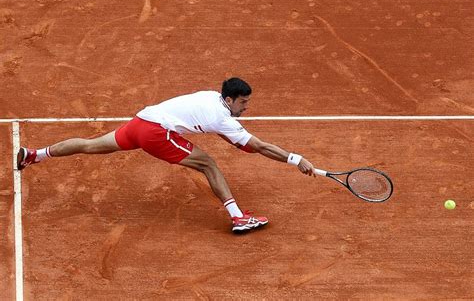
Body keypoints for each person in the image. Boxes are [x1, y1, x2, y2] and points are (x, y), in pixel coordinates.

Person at [17, 77, 316, 233]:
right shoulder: (223, 118)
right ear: (229, 99)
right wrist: (295, 158)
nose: (246, 107)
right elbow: (256, 146)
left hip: (141, 121)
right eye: (243, 102)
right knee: (208, 163)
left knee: (91, 144)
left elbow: (238, 141)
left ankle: (35, 154)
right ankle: (238, 218)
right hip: (156, 133)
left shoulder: (211, 98)